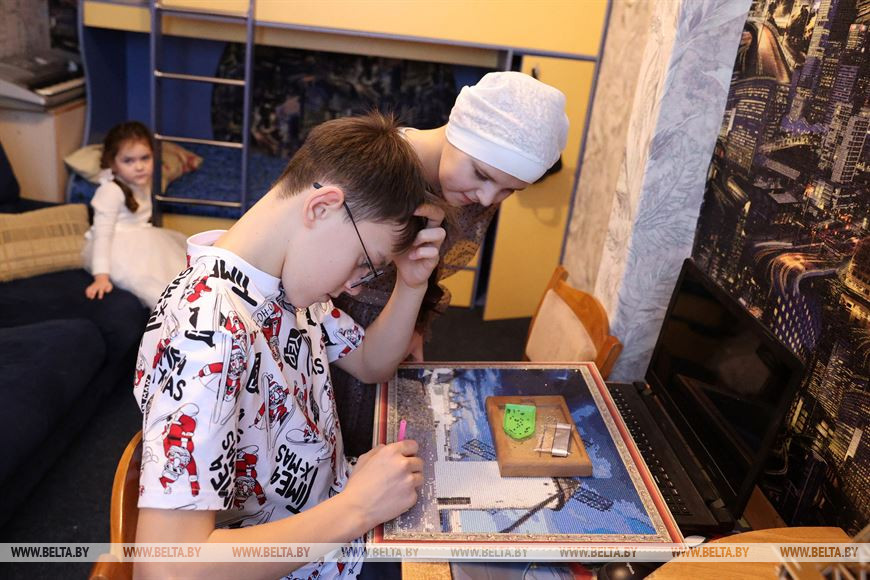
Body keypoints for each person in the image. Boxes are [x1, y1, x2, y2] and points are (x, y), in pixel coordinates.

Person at [133, 112, 446, 579]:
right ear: (321, 208)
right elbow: (166, 569)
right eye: (363, 261)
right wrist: (358, 507)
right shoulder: (210, 330)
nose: (355, 285)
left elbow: (371, 362)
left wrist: (412, 284)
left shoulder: (280, 284)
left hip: (335, 522)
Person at [333, 71, 570, 456]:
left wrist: (414, 322)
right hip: (333, 329)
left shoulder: (478, 192)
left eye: (509, 190)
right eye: (482, 174)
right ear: (458, 129)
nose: (488, 198)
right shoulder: (373, 168)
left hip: (397, 327)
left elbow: (432, 270)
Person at [82, 121, 187, 309]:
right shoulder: (110, 191)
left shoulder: (142, 181)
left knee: (180, 273)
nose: (139, 167)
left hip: (146, 239)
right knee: (157, 289)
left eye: (145, 158)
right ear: (113, 163)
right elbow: (102, 236)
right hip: (119, 248)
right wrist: (101, 277)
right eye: (128, 161)